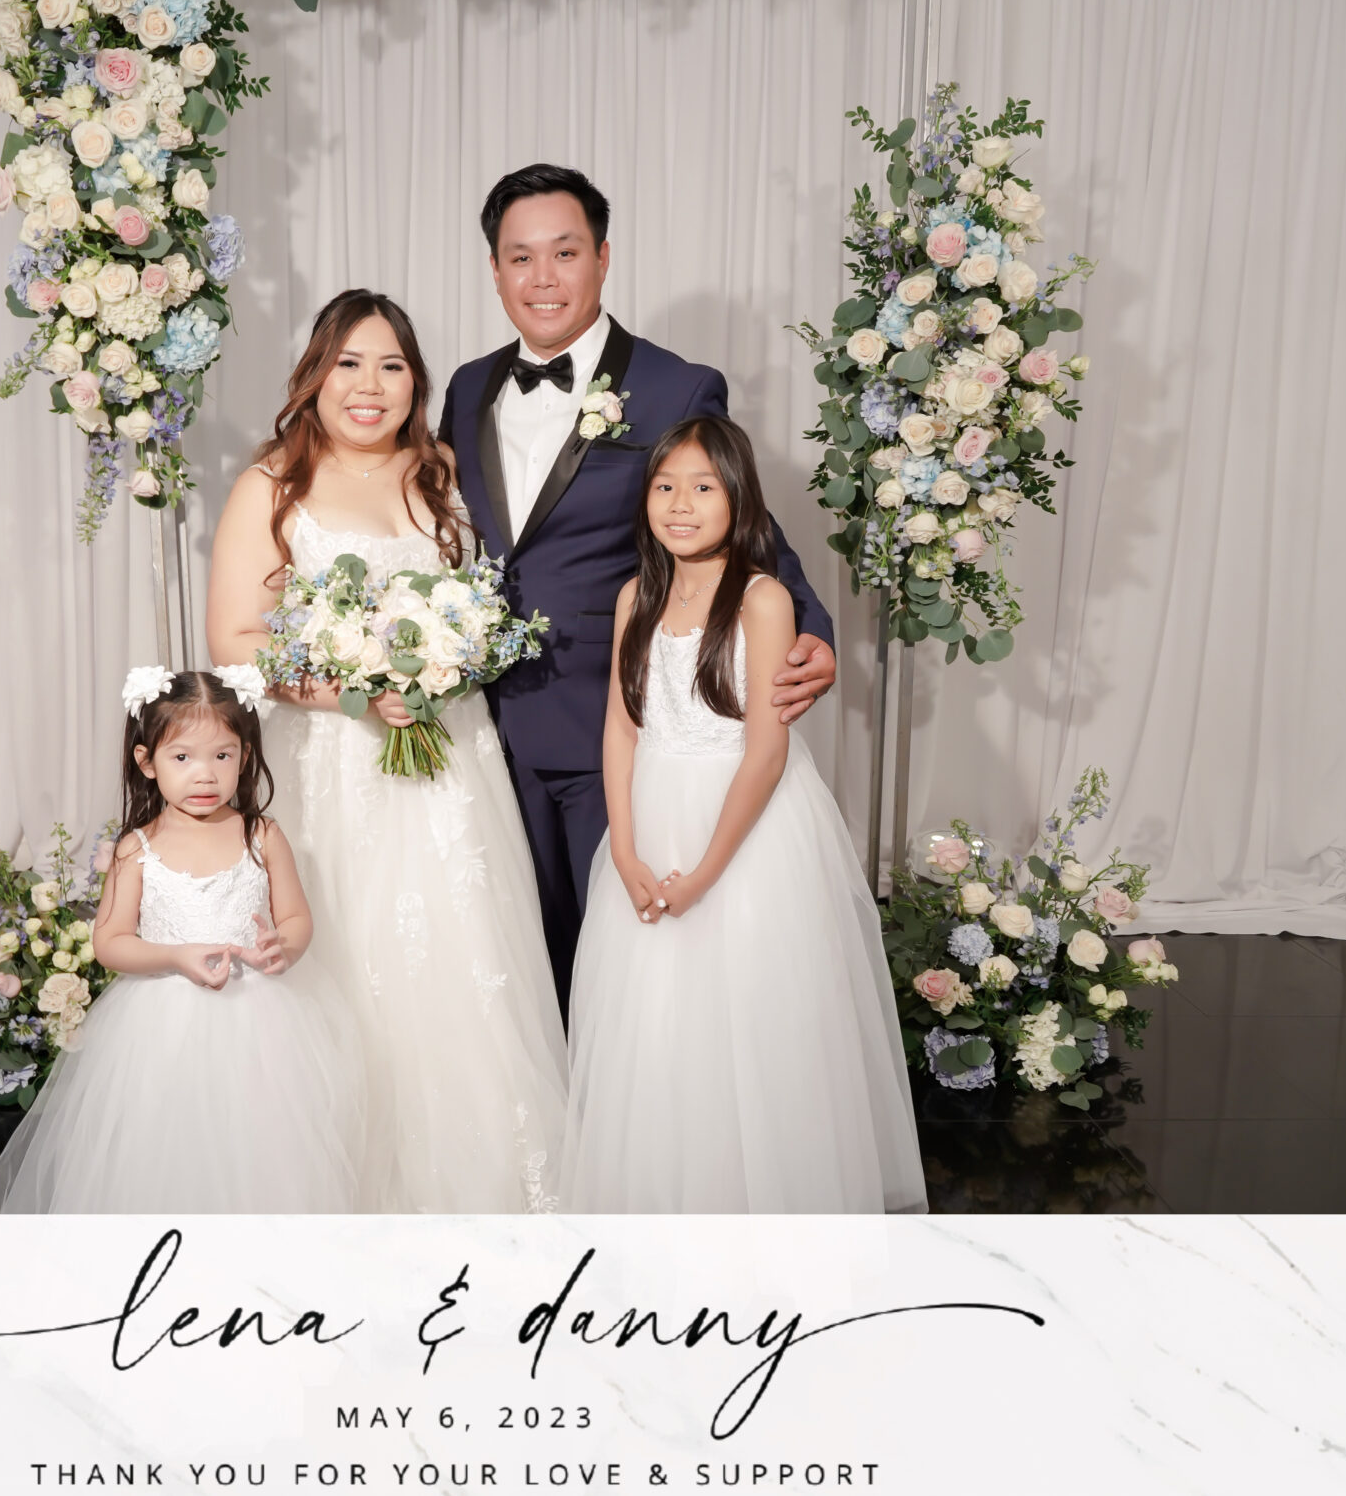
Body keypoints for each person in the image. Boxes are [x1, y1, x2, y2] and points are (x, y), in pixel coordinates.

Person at [436, 165, 839, 1012]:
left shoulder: (672, 385)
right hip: (486, 719)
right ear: (495, 270)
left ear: (604, 257)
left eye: (565, 252)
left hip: (613, 720)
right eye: (520, 257)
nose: (543, 278)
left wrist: (811, 627)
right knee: (516, 956)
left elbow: (747, 520)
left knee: (624, 960)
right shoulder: (469, 386)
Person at [206, 290, 568, 1213]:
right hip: (331, 764)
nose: (369, 386)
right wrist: (351, 691)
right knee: (340, 960)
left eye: (392, 366)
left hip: (451, 762)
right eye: (349, 364)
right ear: (314, 375)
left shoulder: (444, 475)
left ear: (417, 381)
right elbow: (236, 641)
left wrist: (452, 658)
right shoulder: (272, 484)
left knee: (464, 965)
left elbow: (484, 603)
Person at [562, 418, 925, 1213]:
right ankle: (665, 1195)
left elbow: (766, 751)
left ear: (739, 496)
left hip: (743, 827)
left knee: (748, 1015)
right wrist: (624, 848)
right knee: (655, 1015)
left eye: (703, 487)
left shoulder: (763, 598)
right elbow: (622, 725)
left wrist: (706, 872)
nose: (680, 504)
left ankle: (753, 1199)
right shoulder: (635, 595)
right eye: (665, 486)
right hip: (651, 812)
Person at [0, 667, 364, 1213]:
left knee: (260, 1141)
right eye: (182, 757)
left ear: (245, 756)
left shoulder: (263, 835)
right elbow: (111, 941)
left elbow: (296, 916)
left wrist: (285, 946)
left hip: (262, 1020)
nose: (205, 775)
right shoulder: (137, 849)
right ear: (147, 762)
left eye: (222, 756)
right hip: (163, 1025)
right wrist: (176, 957)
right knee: (169, 1143)